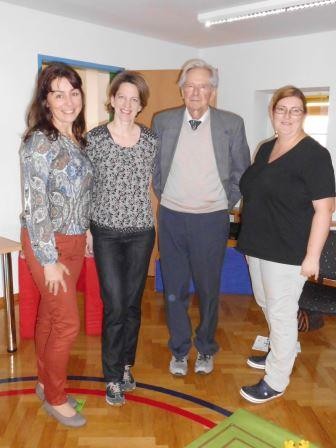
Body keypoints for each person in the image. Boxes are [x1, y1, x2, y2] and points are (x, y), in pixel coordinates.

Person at [152, 59, 250, 376]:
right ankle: (179, 350)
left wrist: (223, 202)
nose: (196, 91)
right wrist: (168, 195)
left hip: (211, 219)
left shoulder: (231, 124)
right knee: (174, 289)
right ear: (182, 90)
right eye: (190, 85)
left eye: (203, 85)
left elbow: (242, 172)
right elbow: (155, 169)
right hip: (172, 218)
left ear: (213, 90)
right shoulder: (162, 121)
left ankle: (206, 348)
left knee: (208, 289)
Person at [237, 85, 335, 403]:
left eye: (295, 110)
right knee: (268, 304)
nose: (288, 116)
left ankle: (277, 380)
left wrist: (312, 257)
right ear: (272, 113)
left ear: (304, 114)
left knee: (280, 312)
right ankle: (285, 349)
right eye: (282, 109)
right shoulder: (267, 148)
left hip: (289, 251)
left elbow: (324, 210)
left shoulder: (316, 156)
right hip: (259, 245)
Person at [20, 62, 93, 426]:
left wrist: (88, 231)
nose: (68, 101)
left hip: (76, 241)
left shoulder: (77, 139)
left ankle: (44, 382)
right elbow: (35, 206)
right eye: (59, 94)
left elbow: (80, 193)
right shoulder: (39, 142)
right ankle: (56, 396)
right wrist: (48, 259)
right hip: (47, 243)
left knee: (51, 317)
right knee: (67, 324)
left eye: (74, 92)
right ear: (46, 100)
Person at [86, 71, 157, 406]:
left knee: (131, 304)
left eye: (135, 99)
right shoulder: (95, 139)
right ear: (112, 99)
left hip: (141, 232)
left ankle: (127, 364)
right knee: (114, 306)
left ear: (141, 105)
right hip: (106, 233)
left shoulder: (151, 141)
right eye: (122, 97)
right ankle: (113, 377)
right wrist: (87, 229)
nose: (128, 104)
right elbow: (86, 187)